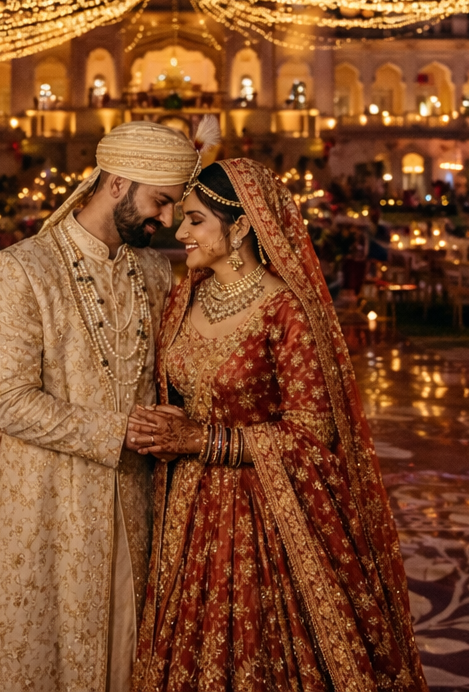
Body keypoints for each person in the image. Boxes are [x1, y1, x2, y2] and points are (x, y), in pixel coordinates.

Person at [127, 159, 423, 692]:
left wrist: (204, 439)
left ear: (239, 226)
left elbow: (313, 431)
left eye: (195, 220)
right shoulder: (183, 296)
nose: (180, 231)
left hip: (267, 511)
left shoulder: (286, 309)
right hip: (186, 513)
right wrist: (168, 422)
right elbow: (177, 390)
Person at [0, 121, 201, 692]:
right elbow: (9, 403)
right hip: (50, 503)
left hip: (138, 499)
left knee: (127, 651)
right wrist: (122, 429)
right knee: (44, 650)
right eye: (160, 201)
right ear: (117, 182)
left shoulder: (152, 269)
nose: (166, 220)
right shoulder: (22, 268)